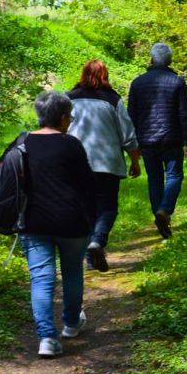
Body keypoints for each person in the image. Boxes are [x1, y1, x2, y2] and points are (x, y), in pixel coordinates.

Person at [16, 90, 94, 357]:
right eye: (69, 116)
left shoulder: (23, 143)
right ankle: (71, 324)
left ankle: (47, 338)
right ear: (62, 118)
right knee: (72, 272)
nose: (70, 120)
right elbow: (87, 185)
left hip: (33, 222)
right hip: (71, 221)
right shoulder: (71, 145)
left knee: (41, 278)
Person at [67, 60, 141, 272]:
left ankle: (90, 255)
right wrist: (135, 161)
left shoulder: (69, 98)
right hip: (107, 163)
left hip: (76, 164)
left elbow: (58, 129)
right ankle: (97, 242)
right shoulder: (113, 99)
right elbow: (127, 135)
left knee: (86, 208)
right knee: (107, 207)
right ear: (105, 76)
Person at [127, 42, 187, 239]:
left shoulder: (137, 83)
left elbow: (132, 115)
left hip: (146, 140)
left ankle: (160, 216)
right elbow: (184, 114)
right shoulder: (177, 81)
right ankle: (164, 210)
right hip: (172, 138)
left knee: (155, 178)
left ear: (151, 59)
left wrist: (133, 143)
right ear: (169, 60)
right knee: (174, 176)